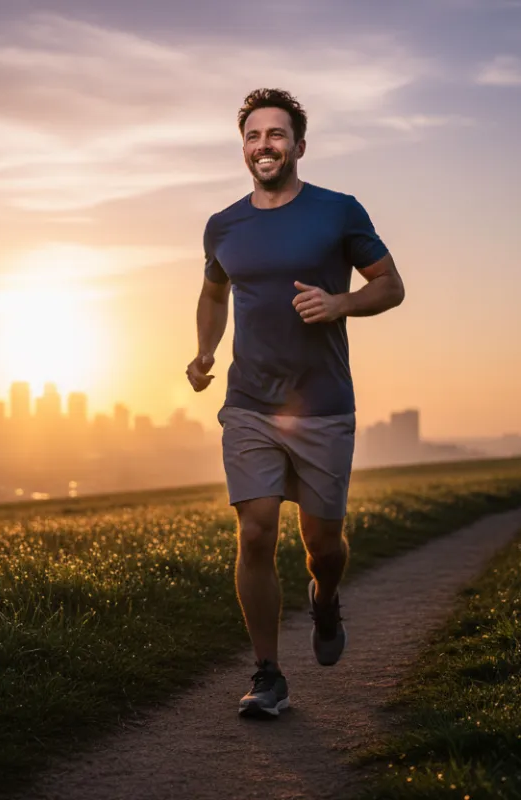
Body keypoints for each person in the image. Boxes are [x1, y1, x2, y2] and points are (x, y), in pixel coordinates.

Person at [187, 88, 406, 718]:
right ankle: (267, 673)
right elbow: (213, 293)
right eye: (254, 136)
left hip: (323, 407)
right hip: (250, 404)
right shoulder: (223, 225)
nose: (264, 146)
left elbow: (391, 285)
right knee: (254, 532)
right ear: (244, 148)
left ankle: (326, 597)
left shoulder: (338, 212)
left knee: (324, 545)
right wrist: (204, 352)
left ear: (299, 146)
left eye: (276, 135)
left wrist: (341, 304)